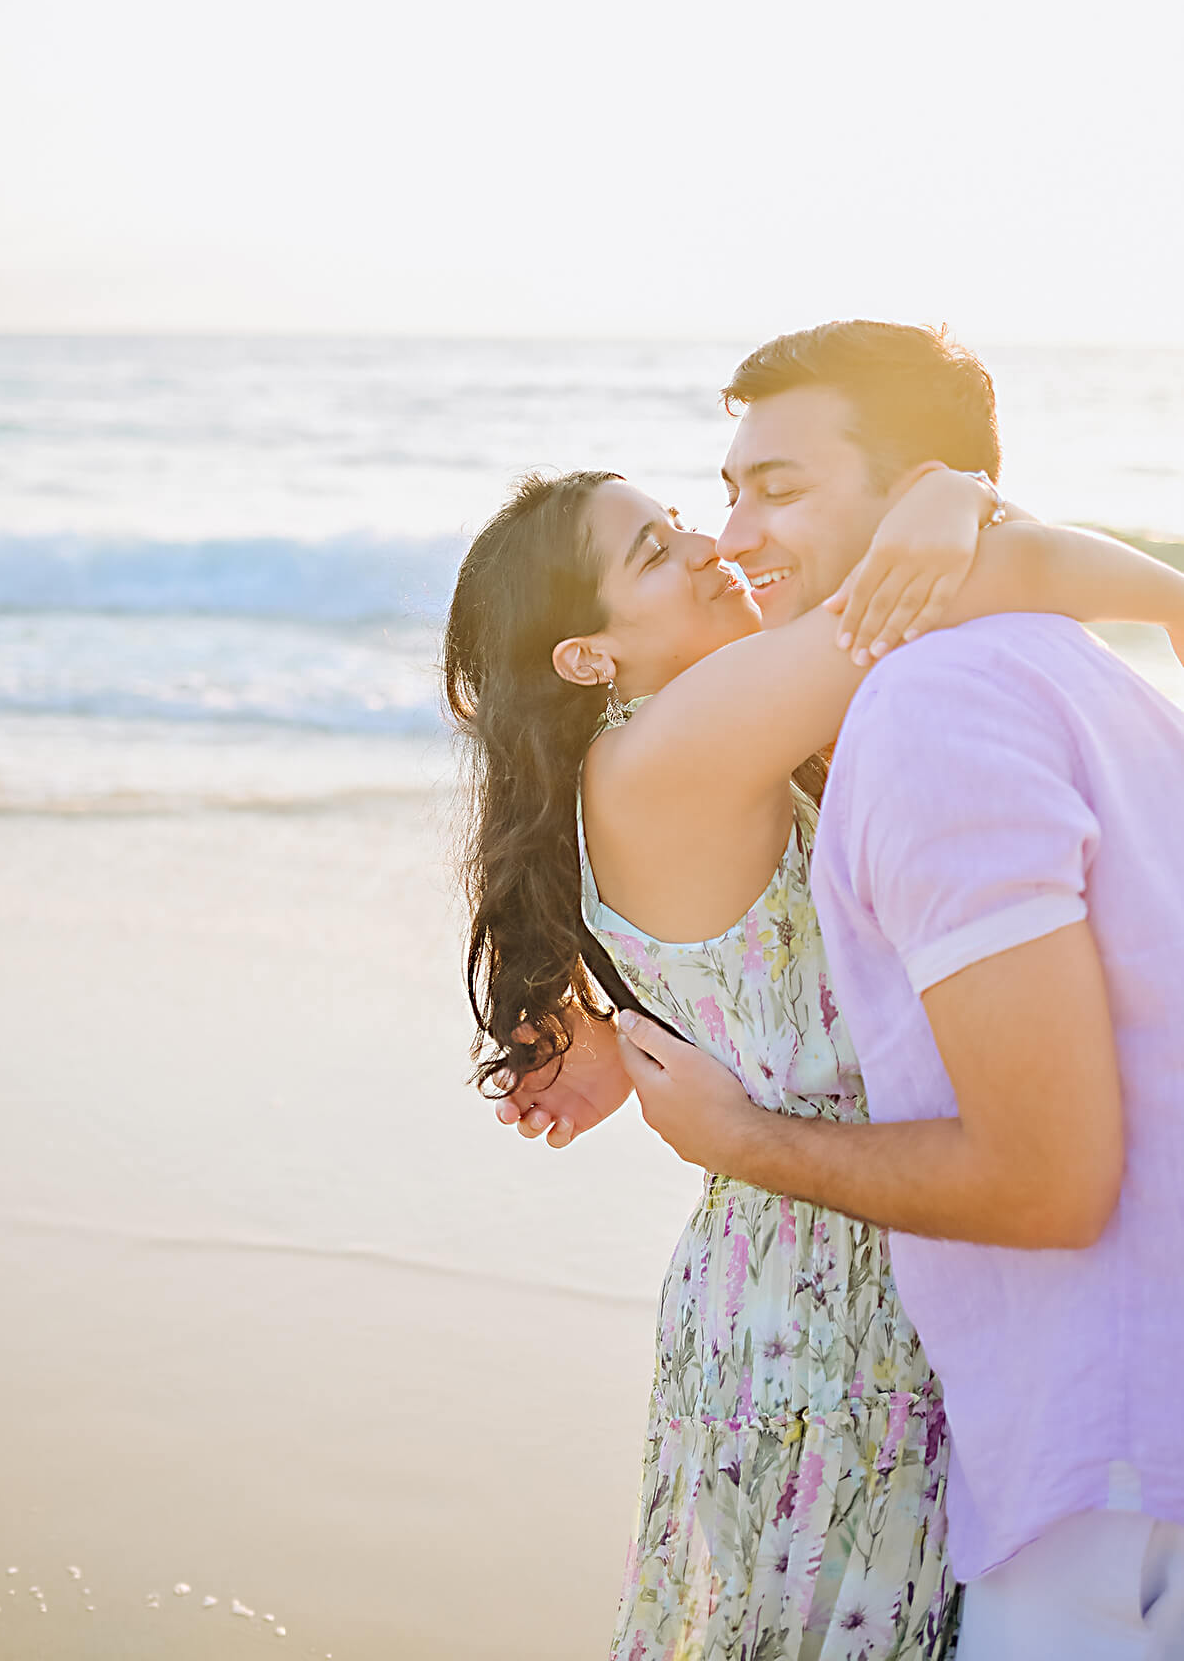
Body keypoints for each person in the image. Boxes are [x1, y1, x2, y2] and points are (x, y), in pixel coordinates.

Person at [444, 329, 1184, 1658]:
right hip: (818, 1311)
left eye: (690, 519)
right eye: (660, 556)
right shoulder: (674, 750)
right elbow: (956, 583)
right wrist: (973, 513)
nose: (719, 548)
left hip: (870, 1258)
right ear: (586, 658)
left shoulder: (710, 745)